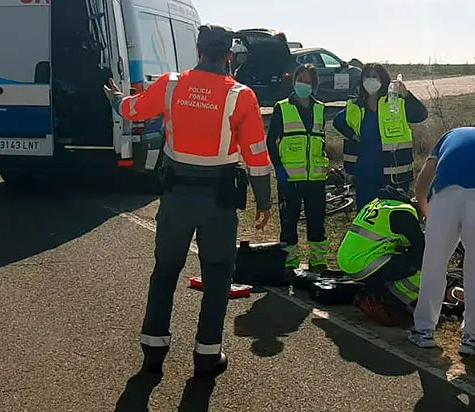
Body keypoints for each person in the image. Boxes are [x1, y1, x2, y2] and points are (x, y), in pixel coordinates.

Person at [103, 24, 273, 378]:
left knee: (164, 273)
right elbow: (256, 154)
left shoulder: (171, 84)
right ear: (229, 54)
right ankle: (207, 357)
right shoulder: (241, 95)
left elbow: (134, 110)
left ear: (198, 50)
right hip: (219, 204)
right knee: (216, 278)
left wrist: (117, 99)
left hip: (177, 198)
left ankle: (153, 352)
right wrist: (263, 201)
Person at [408, 126, 475, 356]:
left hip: (444, 198)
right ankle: (472, 339)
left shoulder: (448, 135)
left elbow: (420, 185)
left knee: (434, 265)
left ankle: (423, 331)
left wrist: (430, 216)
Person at [333, 63, 428, 210]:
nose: (370, 80)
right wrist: (353, 136)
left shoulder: (395, 102)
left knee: (393, 216)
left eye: (374, 76)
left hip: (393, 172)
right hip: (365, 173)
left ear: (383, 80)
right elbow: (338, 122)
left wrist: (406, 94)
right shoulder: (356, 106)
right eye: (367, 77)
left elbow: (421, 115)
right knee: (367, 215)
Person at [266, 63, 331, 275]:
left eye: (308, 81)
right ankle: (289, 263)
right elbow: (271, 141)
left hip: (315, 178)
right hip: (290, 179)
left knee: (317, 221)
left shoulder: (320, 108)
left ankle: (318, 262)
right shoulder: (282, 107)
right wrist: (279, 169)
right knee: (289, 220)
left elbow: (321, 142)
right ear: (294, 81)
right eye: (300, 80)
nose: (304, 84)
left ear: (314, 84)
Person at [337, 185, 424, 325]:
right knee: (424, 266)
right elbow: (420, 247)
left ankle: (373, 292)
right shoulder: (404, 213)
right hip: (365, 264)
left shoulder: (379, 204)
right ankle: (387, 303)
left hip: (348, 259)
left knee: (401, 258)